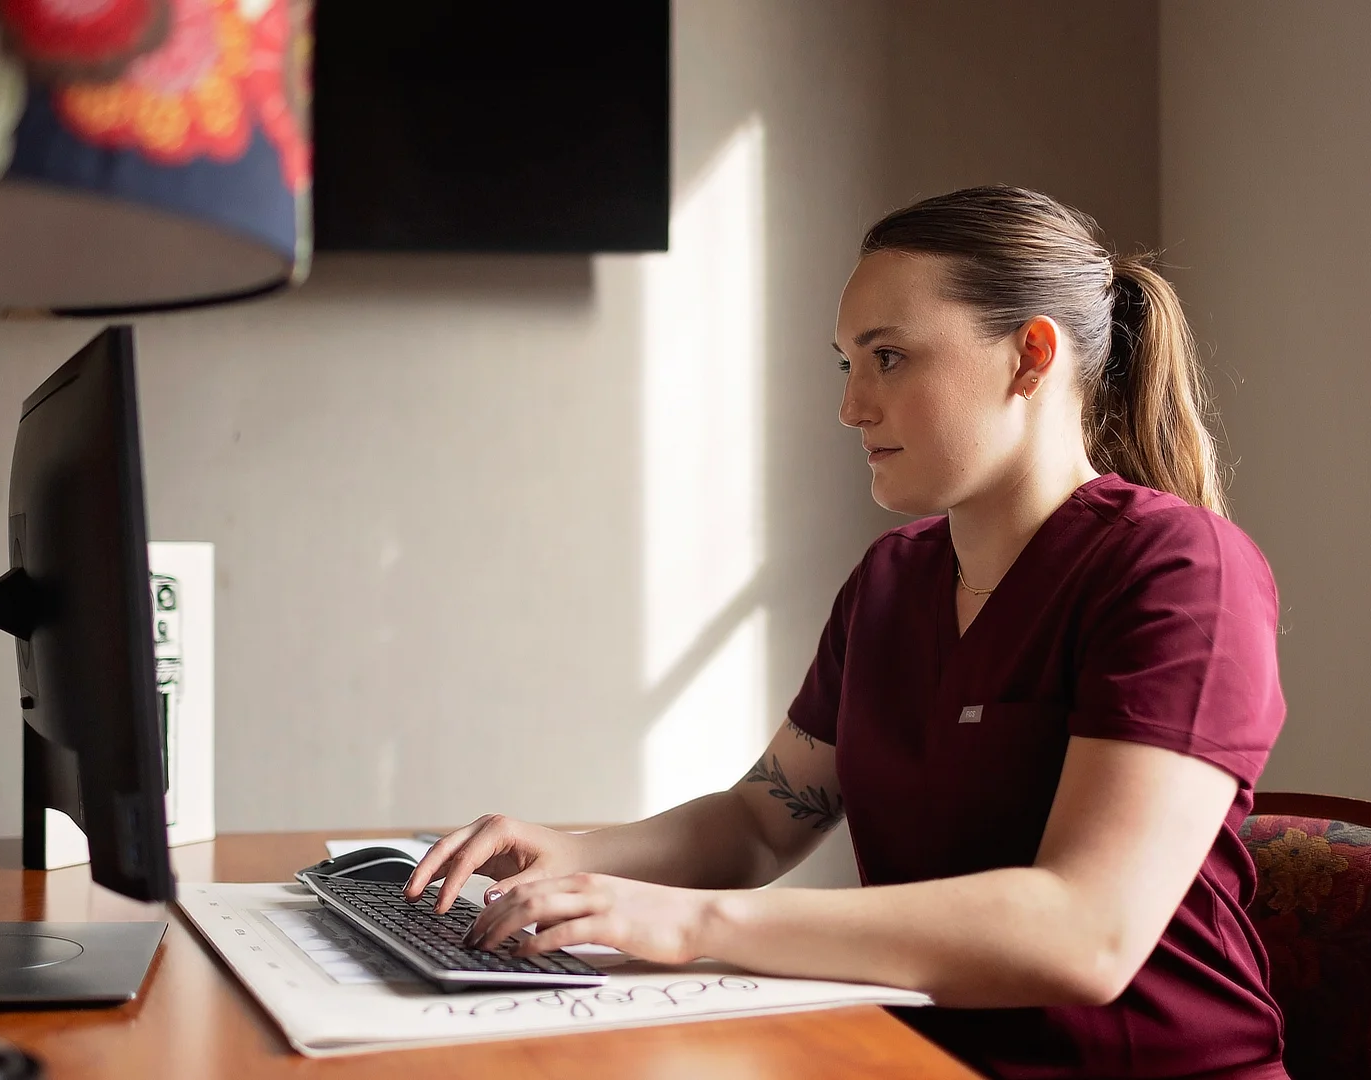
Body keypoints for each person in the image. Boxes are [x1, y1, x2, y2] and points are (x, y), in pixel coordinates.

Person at [404, 185, 1288, 1079]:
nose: (852, 407)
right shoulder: (891, 581)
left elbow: (1085, 935)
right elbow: (759, 822)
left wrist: (689, 923)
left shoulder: (1179, 570)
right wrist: (578, 859)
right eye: (846, 365)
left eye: (890, 359)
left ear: (1030, 357)